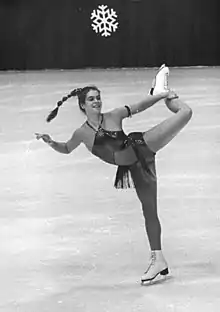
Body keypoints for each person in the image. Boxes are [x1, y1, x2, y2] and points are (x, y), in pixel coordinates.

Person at [35, 65, 192, 284]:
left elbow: (139, 106)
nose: (97, 101)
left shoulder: (114, 115)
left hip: (141, 145)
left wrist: (161, 96)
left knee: (185, 112)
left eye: (98, 97)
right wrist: (51, 142)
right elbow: (67, 148)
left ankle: (165, 93)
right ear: (82, 105)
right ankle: (159, 259)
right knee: (150, 211)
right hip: (136, 167)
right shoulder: (82, 133)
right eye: (91, 99)